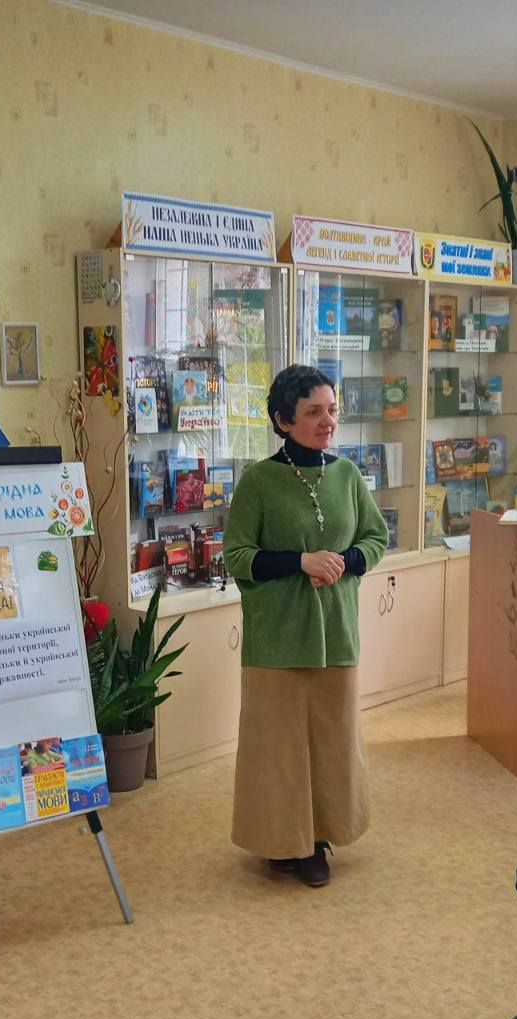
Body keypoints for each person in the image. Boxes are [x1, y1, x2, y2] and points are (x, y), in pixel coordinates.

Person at [223, 364, 389, 887]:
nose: (327, 420)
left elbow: (376, 538)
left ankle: (317, 840)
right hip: (277, 636)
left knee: (332, 742)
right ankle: (281, 840)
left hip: (336, 632)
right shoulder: (258, 481)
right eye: (314, 411)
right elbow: (237, 556)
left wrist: (344, 561)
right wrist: (300, 561)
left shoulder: (347, 475)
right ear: (282, 420)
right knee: (277, 747)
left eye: (332, 410)